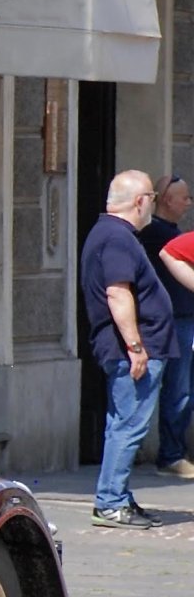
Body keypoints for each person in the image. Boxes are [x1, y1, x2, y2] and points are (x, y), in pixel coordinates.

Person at [83, 171, 178, 529]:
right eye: (152, 197)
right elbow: (117, 292)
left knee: (121, 425)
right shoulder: (117, 238)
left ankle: (117, 495)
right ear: (141, 201)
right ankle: (109, 502)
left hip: (131, 349)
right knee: (129, 427)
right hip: (134, 351)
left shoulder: (110, 234)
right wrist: (136, 347)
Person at [139, 175, 194, 478]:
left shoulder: (169, 232)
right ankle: (171, 455)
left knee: (183, 390)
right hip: (174, 320)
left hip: (184, 318)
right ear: (167, 200)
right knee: (178, 391)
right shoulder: (157, 234)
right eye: (184, 197)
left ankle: (174, 452)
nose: (188, 203)